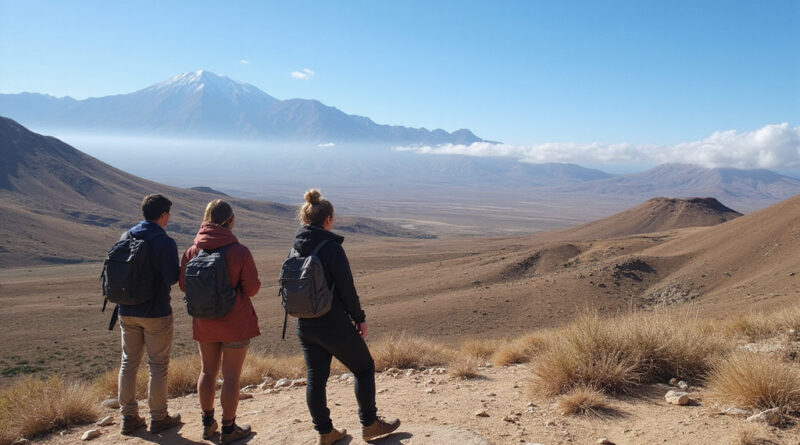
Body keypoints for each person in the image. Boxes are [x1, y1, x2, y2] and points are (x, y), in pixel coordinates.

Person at [291, 189, 400, 445]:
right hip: (332, 322)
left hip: (305, 323)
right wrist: (359, 317)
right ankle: (370, 424)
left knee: (315, 378)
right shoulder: (330, 248)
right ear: (328, 219)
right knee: (364, 368)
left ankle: (325, 432)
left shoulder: (295, 247)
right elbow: (346, 289)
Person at [179, 199, 261, 444]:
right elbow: (253, 288)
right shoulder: (239, 251)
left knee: (207, 371)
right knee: (231, 377)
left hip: (204, 321)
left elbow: (184, 285)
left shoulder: (192, 251)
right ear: (230, 220)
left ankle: (207, 424)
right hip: (235, 322)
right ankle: (228, 428)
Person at [117, 194, 182, 435]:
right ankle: (158, 417)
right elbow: (171, 278)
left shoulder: (127, 235)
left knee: (128, 362)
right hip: (155, 312)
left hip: (126, 310)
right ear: (163, 215)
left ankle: (128, 417)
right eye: (168, 214)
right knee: (157, 366)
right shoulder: (164, 241)